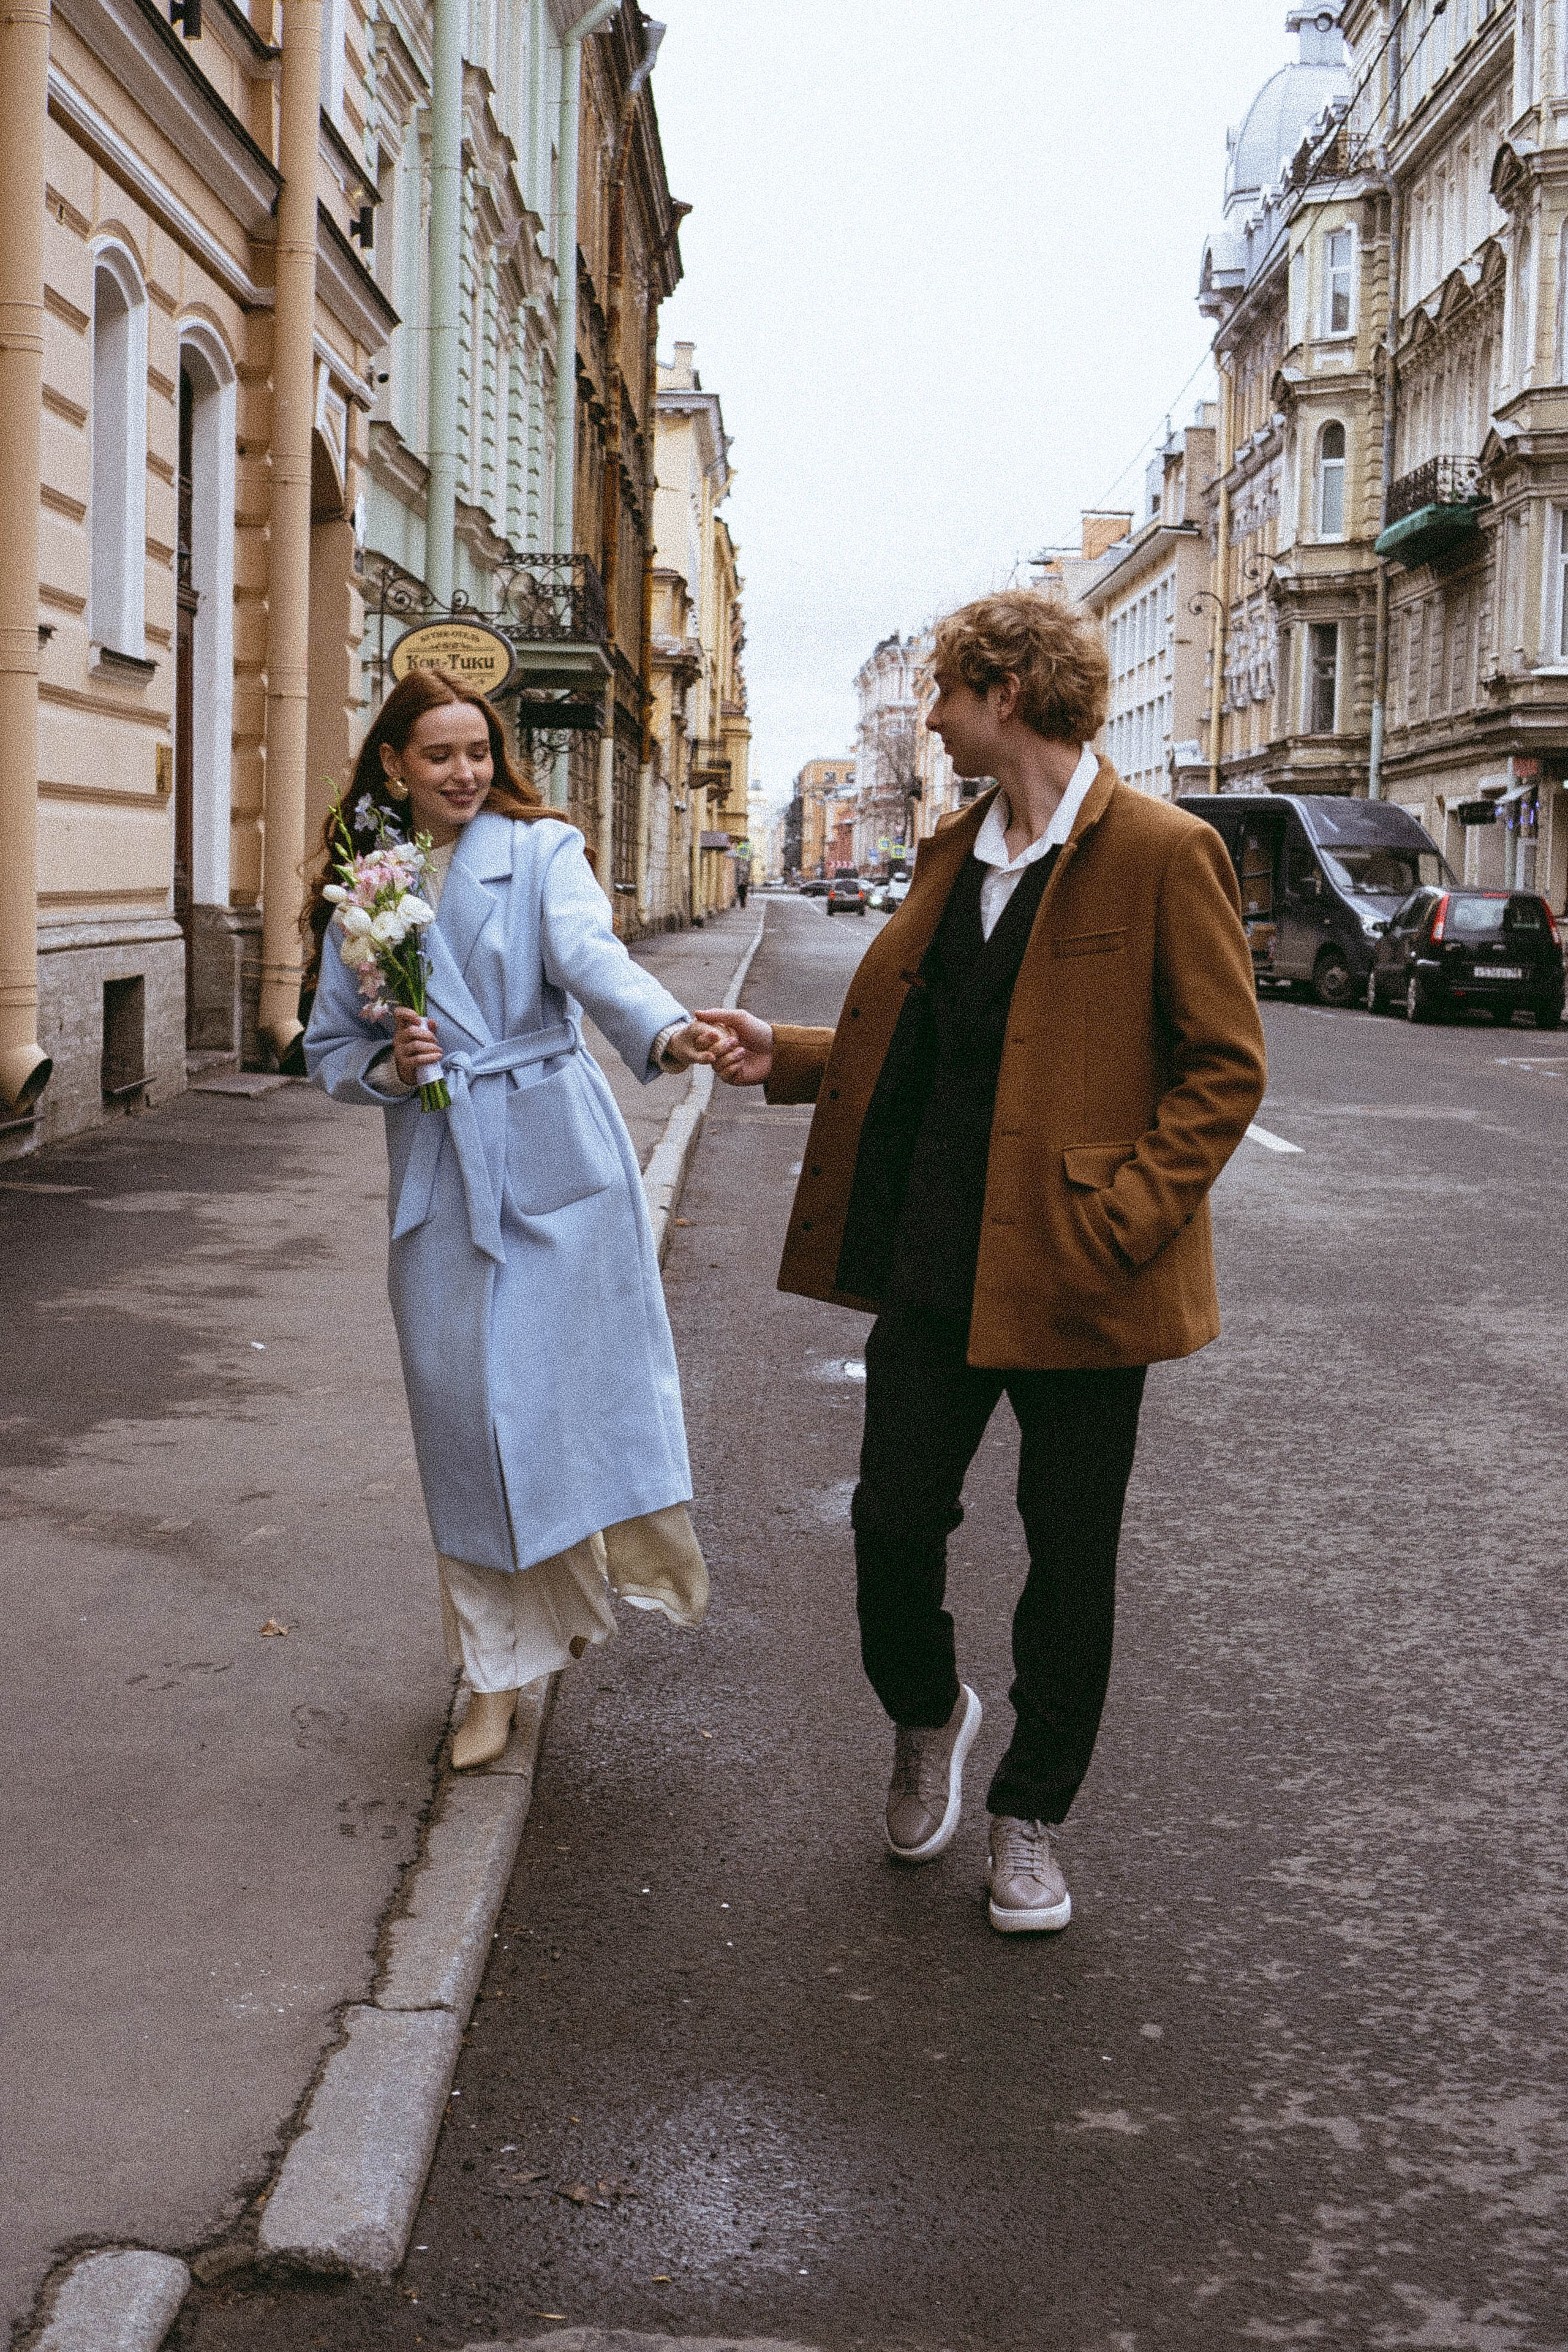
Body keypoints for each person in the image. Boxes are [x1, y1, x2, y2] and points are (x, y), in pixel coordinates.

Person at [701, 592, 1266, 1932]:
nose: (934, 716)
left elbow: (1223, 1068)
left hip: (1084, 1275)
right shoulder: (955, 850)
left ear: (1003, 694)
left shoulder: (1158, 850)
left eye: (946, 692)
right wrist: (779, 1054)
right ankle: (926, 1711)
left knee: (1069, 1556)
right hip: (931, 1255)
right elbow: (928, 1051)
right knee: (893, 1521)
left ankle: (1030, 1818)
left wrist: (1124, 1219)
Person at [304, 668, 722, 1770]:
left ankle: (561, 1611)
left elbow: (589, 959)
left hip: (554, 1154)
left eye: (478, 753)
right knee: (467, 1426)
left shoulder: (542, 852)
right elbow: (328, 1052)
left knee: (556, 1411)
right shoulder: (366, 885)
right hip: (442, 1169)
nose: (463, 773)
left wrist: (668, 1031)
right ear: (394, 764)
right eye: (438, 756)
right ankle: (494, 1673)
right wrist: (392, 1068)